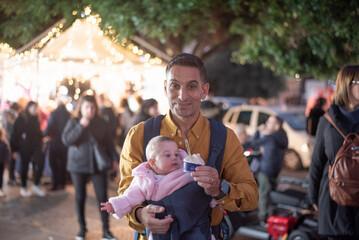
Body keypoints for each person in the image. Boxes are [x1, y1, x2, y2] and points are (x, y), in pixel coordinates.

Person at [118, 53, 258, 240]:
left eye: (192, 86)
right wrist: (141, 215)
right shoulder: (139, 135)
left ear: (204, 91)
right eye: (175, 86)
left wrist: (219, 189)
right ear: (166, 88)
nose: (182, 96)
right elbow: (126, 190)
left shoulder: (225, 138)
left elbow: (251, 196)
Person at [102, 136, 217, 239]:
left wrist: (213, 199)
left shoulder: (185, 173)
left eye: (176, 154)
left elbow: (202, 188)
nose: (174, 158)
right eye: (167, 155)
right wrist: (116, 205)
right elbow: (130, 196)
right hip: (163, 227)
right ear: (152, 163)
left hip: (192, 223)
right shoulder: (145, 179)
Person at [308, 65, 359, 240]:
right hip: (334, 202)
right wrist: (313, 197)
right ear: (347, 85)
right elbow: (317, 161)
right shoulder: (327, 121)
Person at [62, 90, 118, 240]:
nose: (90, 111)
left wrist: (115, 159)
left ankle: (106, 231)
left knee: (102, 197)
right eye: (87, 107)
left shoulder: (102, 122)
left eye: (92, 107)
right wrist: (81, 126)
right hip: (77, 165)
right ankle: (82, 229)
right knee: (80, 197)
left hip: (97, 164)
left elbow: (109, 143)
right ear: (81, 107)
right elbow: (67, 140)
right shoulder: (74, 121)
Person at [247, 116, 288, 226]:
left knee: (263, 194)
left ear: (277, 126)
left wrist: (258, 131)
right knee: (272, 194)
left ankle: (263, 219)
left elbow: (254, 143)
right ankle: (273, 216)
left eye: (270, 122)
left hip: (266, 169)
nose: (266, 124)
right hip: (276, 169)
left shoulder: (271, 137)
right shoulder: (283, 136)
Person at [11, 101, 46, 197]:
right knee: (24, 166)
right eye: (34, 108)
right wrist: (14, 149)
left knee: (40, 162)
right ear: (29, 108)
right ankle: (24, 187)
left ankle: (36, 183)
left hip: (35, 146)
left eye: (36, 108)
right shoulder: (21, 118)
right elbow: (15, 134)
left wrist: (41, 136)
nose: (35, 110)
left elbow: (37, 132)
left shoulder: (36, 119)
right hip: (24, 147)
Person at [43, 99, 71, 191]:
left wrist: (44, 134)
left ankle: (55, 183)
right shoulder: (69, 114)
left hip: (55, 142)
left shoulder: (54, 113)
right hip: (66, 144)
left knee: (53, 163)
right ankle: (62, 183)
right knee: (63, 164)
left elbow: (49, 128)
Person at [2, 102, 22, 185]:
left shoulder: (5, 115)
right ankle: (11, 179)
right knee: (11, 161)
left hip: (7, 141)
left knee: (10, 162)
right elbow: (12, 133)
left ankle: (11, 178)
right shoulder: (11, 117)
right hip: (10, 142)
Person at [0, 128, 10, 197]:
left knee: (0, 176)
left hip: (1, 163)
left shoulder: (4, 144)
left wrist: (6, 163)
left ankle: (0, 189)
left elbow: (7, 154)